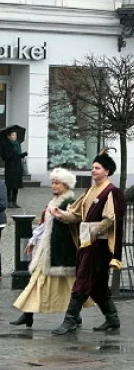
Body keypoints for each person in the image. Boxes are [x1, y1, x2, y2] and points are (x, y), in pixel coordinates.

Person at [50, 150, 126, 335]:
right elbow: (76, 214)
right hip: (87, 243)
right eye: (92, 167)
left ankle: (69, 321)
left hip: (98, 244)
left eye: (97, 168)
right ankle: (112, 318)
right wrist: (61, 215)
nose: (93, 171)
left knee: (83, 281)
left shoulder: (111, 192)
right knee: (98, 285)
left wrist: (94, 232)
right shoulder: (90, 191)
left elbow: (110, 219)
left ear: (107, 171)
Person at [10, 169, 81, 328]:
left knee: (68, 284)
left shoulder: (69, 201)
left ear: (65, 185)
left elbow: (74, 220)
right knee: (37, 281)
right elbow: (45, 225)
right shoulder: (54, 200)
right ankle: (28, 314)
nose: (53, 186)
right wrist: (33, 240)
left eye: (57, 183)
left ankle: (74, 315)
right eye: (52, 183)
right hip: (49, 249)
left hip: (62, 249)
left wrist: (61, 216)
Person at [0, 127, 26, 208]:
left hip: (17, 167)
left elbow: (17, 156)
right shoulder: (5, 145)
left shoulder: (17, 144)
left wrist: (23, 154)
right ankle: (9, 201)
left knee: (16, 185)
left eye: (15, 135)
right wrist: (13, 153)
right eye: (13, 135)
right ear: (9, 136)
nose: (14, 137)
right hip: (10, 168)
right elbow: (6, 157)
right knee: (10, 185)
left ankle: (15, 201)